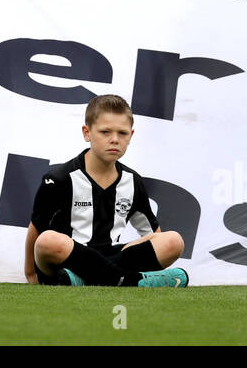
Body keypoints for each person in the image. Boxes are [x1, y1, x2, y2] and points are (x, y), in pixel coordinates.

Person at [25, 93, 187, 287]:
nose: (114, 139)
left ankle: (84, 280)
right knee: (48, 241)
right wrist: (30, 273)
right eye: (105, 132)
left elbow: (152, 235)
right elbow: (36, 231)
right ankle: (129, 282)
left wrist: (157, 251)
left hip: (111, 256)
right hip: (67, 258)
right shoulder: (59, 179)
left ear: (131, 136)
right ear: (87, 133)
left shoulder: (132, 181)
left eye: (122, 133)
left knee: (173, 241)